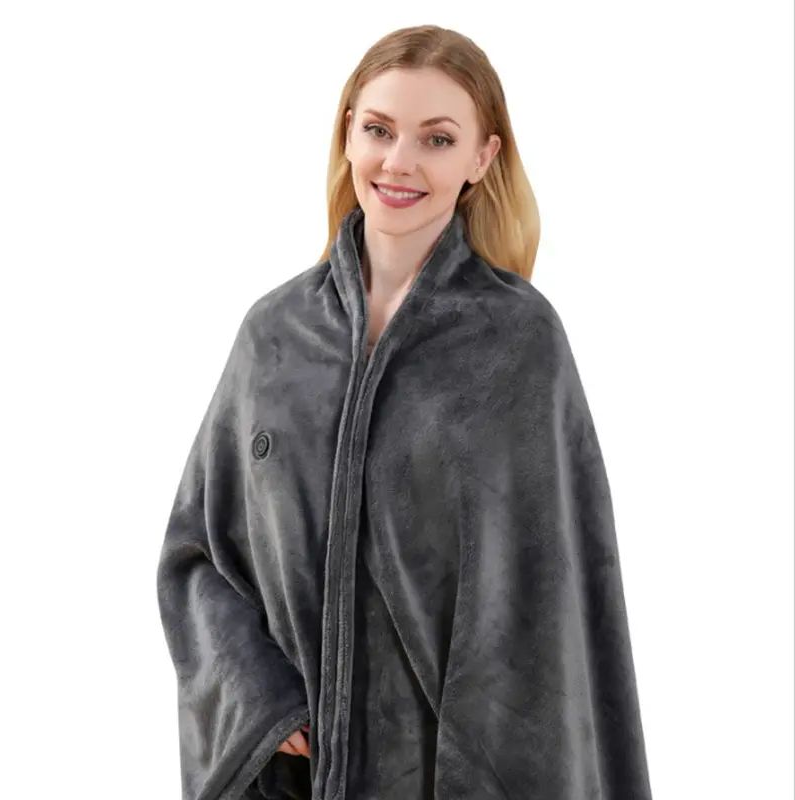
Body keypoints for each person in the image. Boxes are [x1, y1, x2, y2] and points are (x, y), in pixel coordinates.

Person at [157, 24, 653, 800]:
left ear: (482, 158)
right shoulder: (275, 335)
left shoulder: (519, 342)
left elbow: (553, 604)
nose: (399, 162)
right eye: (380, 130)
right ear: (347, 133)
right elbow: (197, 555)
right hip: (297, 778)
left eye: (437, 138)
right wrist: (261, 704)